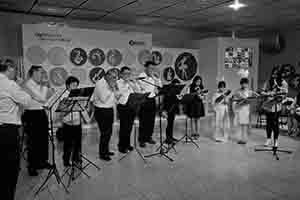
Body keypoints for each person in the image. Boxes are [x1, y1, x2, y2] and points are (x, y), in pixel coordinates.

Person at [0, 63, 31, 200]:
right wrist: (20, 84)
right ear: (8, 69)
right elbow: (26, 100)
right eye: (14, 70)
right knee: (10, 168)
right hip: (7, 130)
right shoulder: (9, 84)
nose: (16, 73)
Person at [23, 65, 53, 176]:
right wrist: (45, 85)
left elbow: (47, 98)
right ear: (34, 72)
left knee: (44, 139)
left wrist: (46, 87)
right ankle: (32, 165)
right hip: (31, 114)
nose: (43, 75)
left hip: (41, 113)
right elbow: (41, 97)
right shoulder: (27, 84)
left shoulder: (39, 84)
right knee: (33, 141)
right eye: (41, 72)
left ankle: (42, 162)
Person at [93, 70, 118, 161]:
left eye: (115, 77)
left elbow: (115, 97)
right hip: (101, 111)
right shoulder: (100, 83)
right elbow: (103, 99)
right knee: (104, 133)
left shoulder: (110, 83)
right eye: (113, 77)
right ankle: (102, 154)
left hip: (109, 109)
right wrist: (111, 88)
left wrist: (114, 89)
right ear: (107, 76)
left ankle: (106, 150)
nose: (115, 79)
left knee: (109, 132)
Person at [116, 66, 142, 153]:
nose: (127, 75)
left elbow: (138, 91)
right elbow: (120, 93)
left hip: (132, 106)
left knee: (129, 127)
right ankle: (121, 146)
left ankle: (127, 144)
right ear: (121, 74)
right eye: (125, 73)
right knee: (124, 127)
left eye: (129, 74)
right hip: (123, 106)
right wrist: (127, 83)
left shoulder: (131, 82)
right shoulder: (118, 82)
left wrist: (133, 83)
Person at [60, 76, 83, 167]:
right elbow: (63, 111)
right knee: (68, 143)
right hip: (68, 122)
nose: (75, 87)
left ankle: (76, 158)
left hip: (77, 121)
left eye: (76, 85)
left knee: (78, 142)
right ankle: (66, 160)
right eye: (73, 85)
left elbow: (81, 107)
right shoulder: (64, 95)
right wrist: (71, 104)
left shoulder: (78, 94)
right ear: (67, 86)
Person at [138, 61, 162, 148]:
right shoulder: (141, 76)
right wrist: (151, 77)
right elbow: (145, 87)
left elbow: (160, 86)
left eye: (153, 68)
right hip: (144, 100)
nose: (152, 70)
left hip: (152, 99)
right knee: (143, 121)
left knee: (151, 120)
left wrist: (158, 78)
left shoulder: (154, 77)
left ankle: (148, 137)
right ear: (146, 68)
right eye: (151, 68)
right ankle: (142, 139)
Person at [262, 70, 288, 147]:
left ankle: (276, 140)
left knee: (275, 124)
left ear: (279, 75)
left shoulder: (283, 83)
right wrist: (268, 94)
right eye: (273, 74)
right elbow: (262, 92)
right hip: (268, 106)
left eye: (276, 74)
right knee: (268, 124)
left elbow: (285, 95)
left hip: (277, 107)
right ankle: (268, 139)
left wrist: (278, 96)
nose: (274, 76)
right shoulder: (268, 81)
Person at [233, 78, 257, 145]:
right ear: (241, 84)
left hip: (246, 109)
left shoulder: (249, 91)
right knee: (239, 124)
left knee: (245, 124)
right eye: (243, 83)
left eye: (245, 83)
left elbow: (254, 98)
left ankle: (244, 139)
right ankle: (239, 138)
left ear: (247, 84)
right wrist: (239, 100)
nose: (244, 85)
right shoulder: (237, 91)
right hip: (239, 109)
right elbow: (234, 99)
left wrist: (249, 100)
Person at [161, 79, 181, 144]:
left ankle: (171, 137)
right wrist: (164, 110)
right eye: (176, 86)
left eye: (178, 86)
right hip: (168, 108)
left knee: (171, 123)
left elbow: (177, 100)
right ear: (173, 85)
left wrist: (179, 98)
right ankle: (168, 139)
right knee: (169, 124)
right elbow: (166, 100)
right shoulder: (168, 91)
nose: (177, 87)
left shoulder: (176, 91)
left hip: (173, 109)